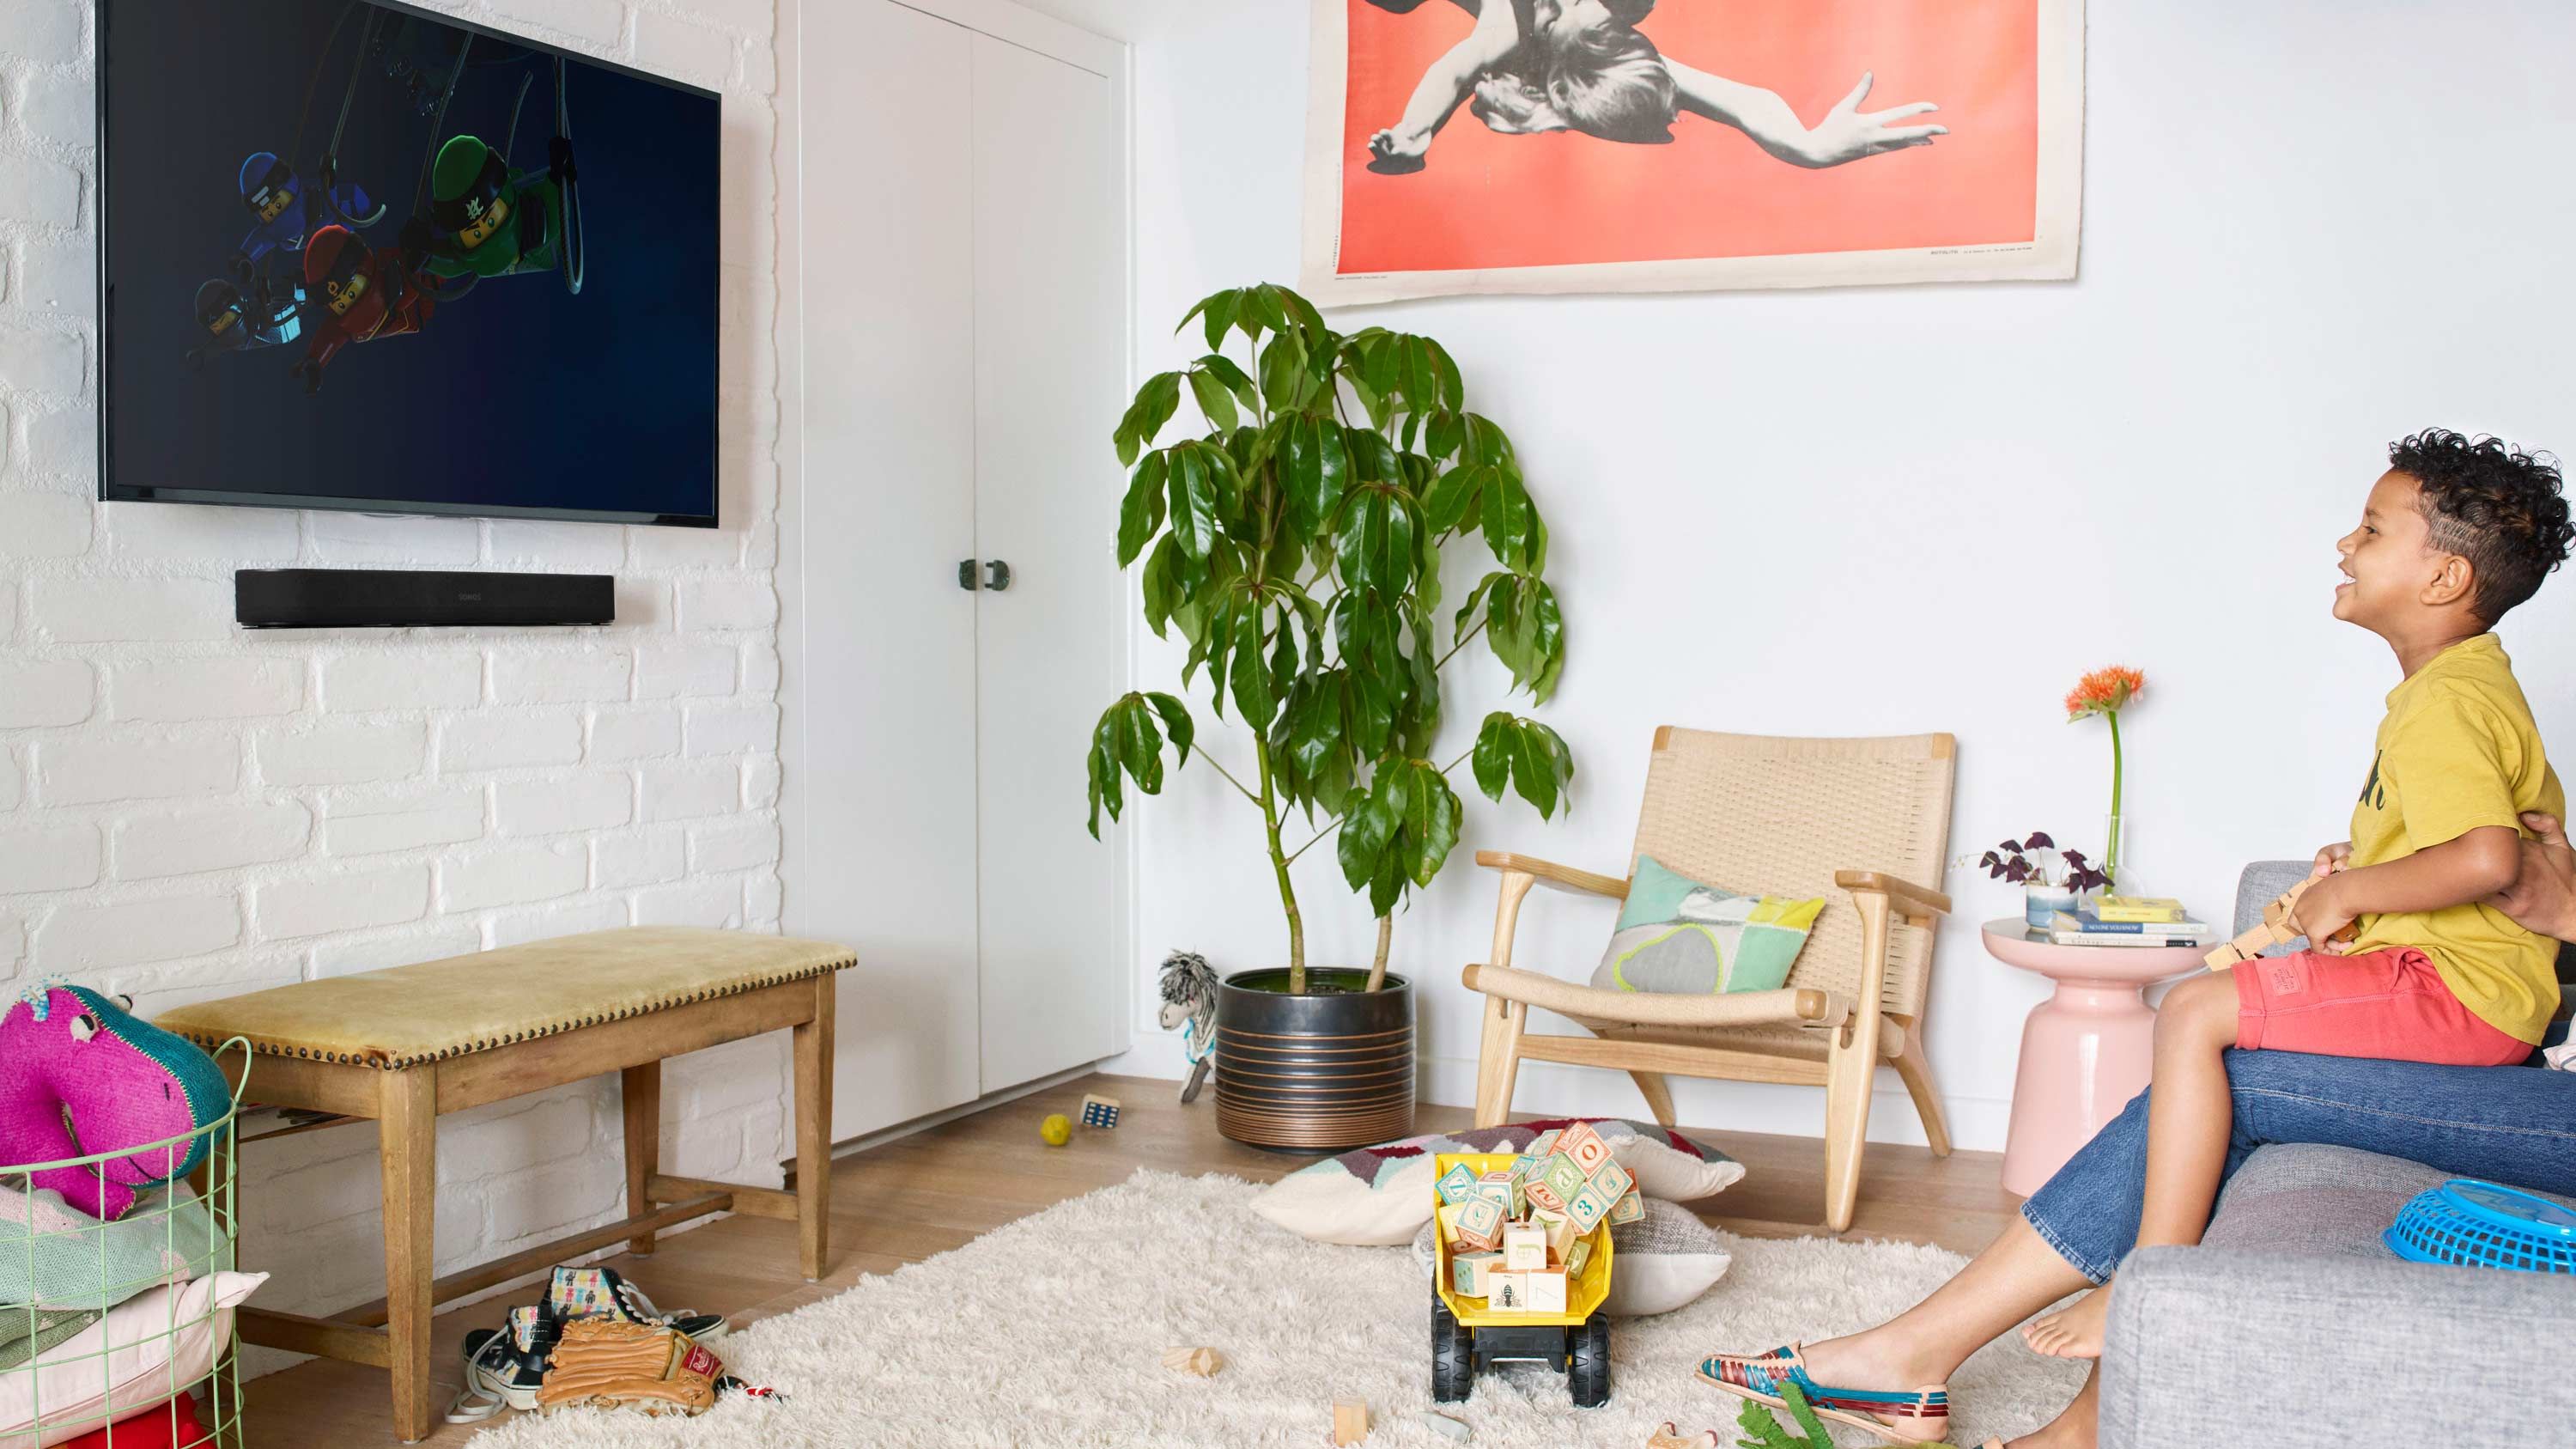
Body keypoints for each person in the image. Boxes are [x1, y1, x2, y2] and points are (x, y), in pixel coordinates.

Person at [2008, 430, 2574, 1361]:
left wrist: (2353, 888)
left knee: (2193, 1009)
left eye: (2372, 529)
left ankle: (2147, 1283)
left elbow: (2487, 861)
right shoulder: (2463, 687)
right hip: (2470, 988)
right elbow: (2461, 845)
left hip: (2455, 995)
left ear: (2443, 579)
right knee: (2207, 1022)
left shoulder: (2447, 701)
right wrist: (2374, 862)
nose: (2345, 546)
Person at [1360, 0, 1943, 174]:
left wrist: (1415, 131)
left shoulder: (1513, 27)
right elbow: (1746, 102)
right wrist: (1809, 146)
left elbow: (1453, 71)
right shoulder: (1612, 18)